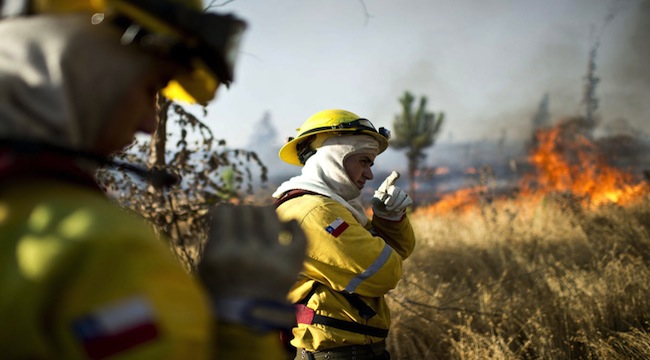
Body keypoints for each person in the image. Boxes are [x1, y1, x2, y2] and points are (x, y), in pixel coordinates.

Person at [0, 1, 306, 359]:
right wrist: (244, 322)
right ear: (90, 66)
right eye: (151, 88)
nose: (150, 124)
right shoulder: (103, 248)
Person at [273, 109, 416, 360]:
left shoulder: (332, 207)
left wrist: (389, 220)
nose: (369, 174)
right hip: (337, 353)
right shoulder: (316, 212)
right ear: (333, 157)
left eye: (371, 163)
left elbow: (398, 252)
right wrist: (380, 240)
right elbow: (385, 272)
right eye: (363, 161)